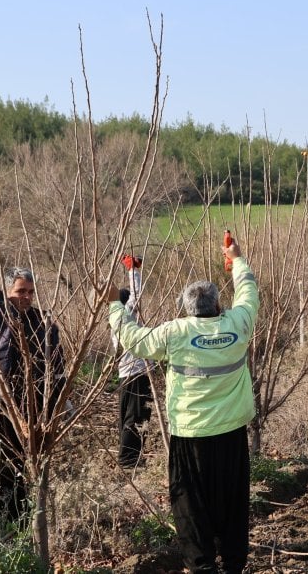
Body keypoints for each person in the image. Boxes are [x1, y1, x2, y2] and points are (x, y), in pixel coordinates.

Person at [109, 234, 257, 574]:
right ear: (218, 306)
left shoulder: (174, 332)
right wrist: (236, 259)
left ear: (186, 308)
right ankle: (233, 563)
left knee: (191, 505)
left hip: (190, 437)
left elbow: (132, 339)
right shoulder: (239, 322)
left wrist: (115, 305)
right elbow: (248, 292)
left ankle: (201, 565)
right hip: (232, 435)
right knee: (233, 503)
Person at [0, 210, 66, 526]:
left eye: (30, 292)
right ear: (8, 291)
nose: (25, 297)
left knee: (23, 467)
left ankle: (24, 527)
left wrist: (61, 403)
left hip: (27, 407)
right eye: (20, 291)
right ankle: (3, 529)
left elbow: (56, 367)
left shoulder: (42, 322)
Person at [111, 255, 155, 468]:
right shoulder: (126, 315)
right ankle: (129, 460)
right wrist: (133, 271)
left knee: (127, 415)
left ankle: (127, 457)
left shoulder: (116, 319)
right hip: (137, 372)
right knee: (137, 416)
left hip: (125, 373)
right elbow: (136, 296)